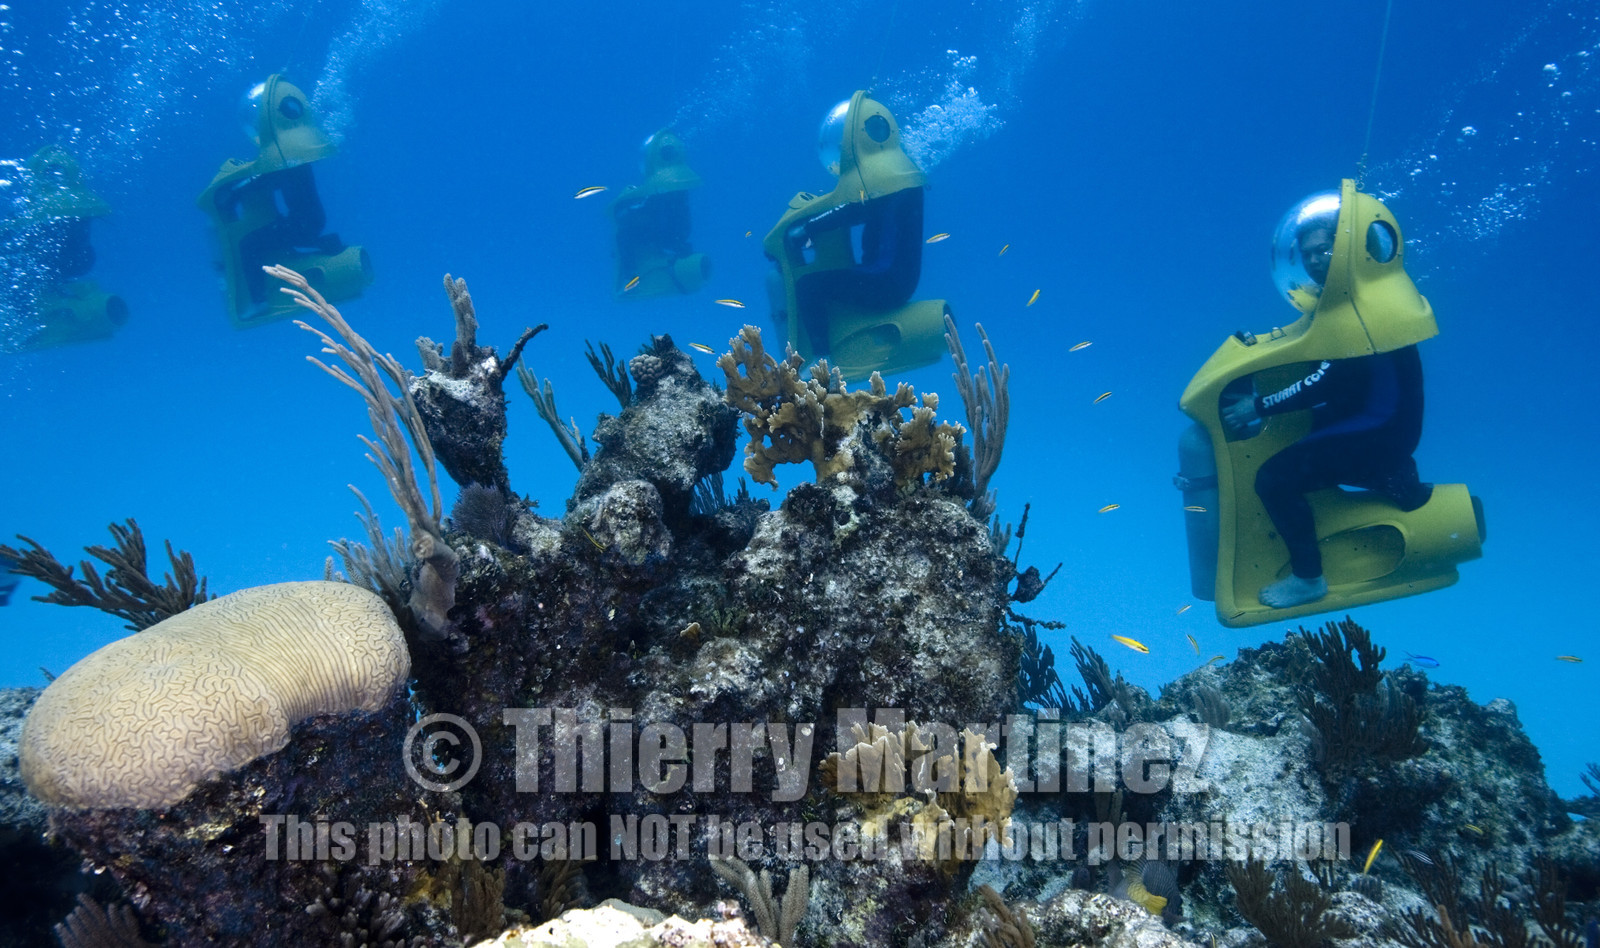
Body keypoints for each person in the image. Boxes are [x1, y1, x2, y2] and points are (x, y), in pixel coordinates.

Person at [1220, 190, 1433, 609]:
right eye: (1308, 254)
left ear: (1348, 249)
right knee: (1297, 436)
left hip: (1381, 429)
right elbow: (1306, 342)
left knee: (1273, 480)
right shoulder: (1354, 296)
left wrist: (1258, 406)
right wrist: (1254, 347)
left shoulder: (1360, 306)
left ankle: (1308, 577)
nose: (1316, 261)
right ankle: (1394, 480)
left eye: (1325, 250)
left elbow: (1327, 380)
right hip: (1377, 416)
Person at [197, 74, 370, 327]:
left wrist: (235, 192)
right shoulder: (296, 159)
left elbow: (266, 180)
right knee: (276, 240)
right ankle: (325, 243)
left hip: (303, 222)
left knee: (249, 245)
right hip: (308, 220)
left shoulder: (287, 160)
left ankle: (258, 303)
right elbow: (268, 178)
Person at [609, 129, 708, 298]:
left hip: (662, 236)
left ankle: (630, 277)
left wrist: (627, 206)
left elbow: (642, 209)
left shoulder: (661, 184)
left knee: (623, 235)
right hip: (678, 237)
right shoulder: (679, 181)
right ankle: (676, 254)